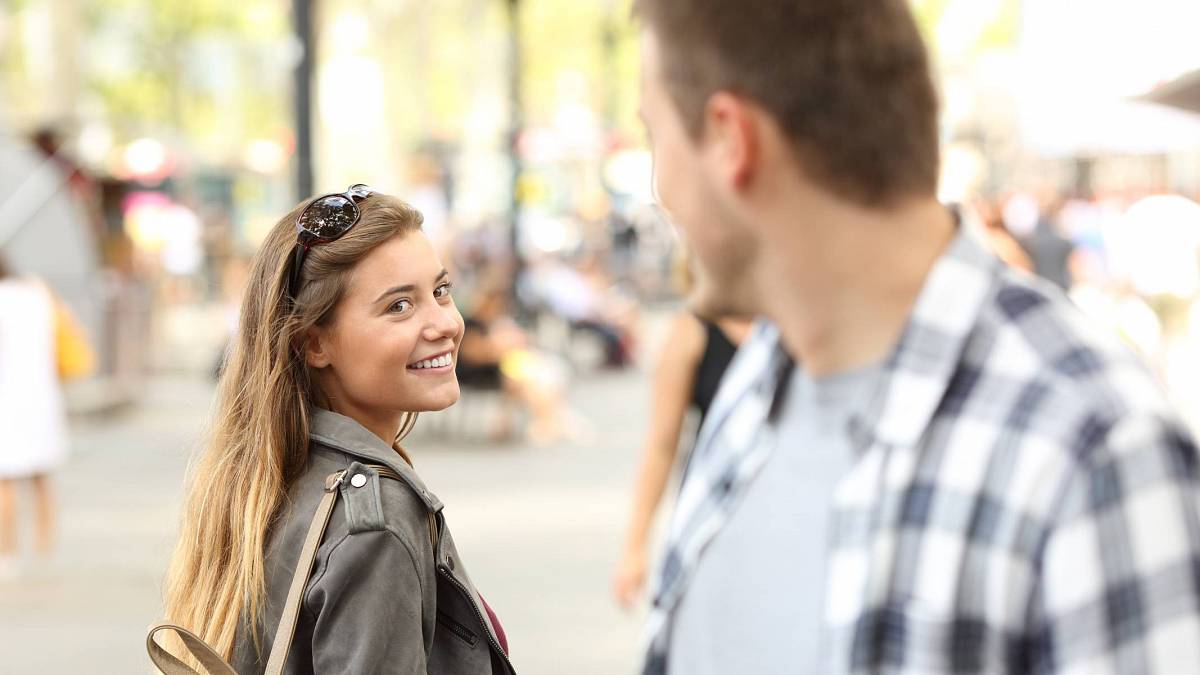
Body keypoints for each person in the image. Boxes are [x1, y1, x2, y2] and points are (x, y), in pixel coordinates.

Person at [633, 2, 1200, 674]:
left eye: (654, 137)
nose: (657, 189)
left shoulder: (1092, 443)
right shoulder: (757, 383)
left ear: (731, 137)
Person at [163, 186, 515, 674]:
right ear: (313, 344)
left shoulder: (272, 473)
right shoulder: (374, 523)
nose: (444, 324)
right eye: (399, 306)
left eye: (439, 291)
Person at [612, 311, 749, 609]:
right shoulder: (692, 330)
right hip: (715, 512)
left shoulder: (790, 322)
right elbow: (662, 443)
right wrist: (635, 547)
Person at [0, 254, 69, 580]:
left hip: (8, 398)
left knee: (5, 482)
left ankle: (7, 552)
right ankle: (45, 547)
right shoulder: (39, 291)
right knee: (42, 478)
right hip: (43, 395)